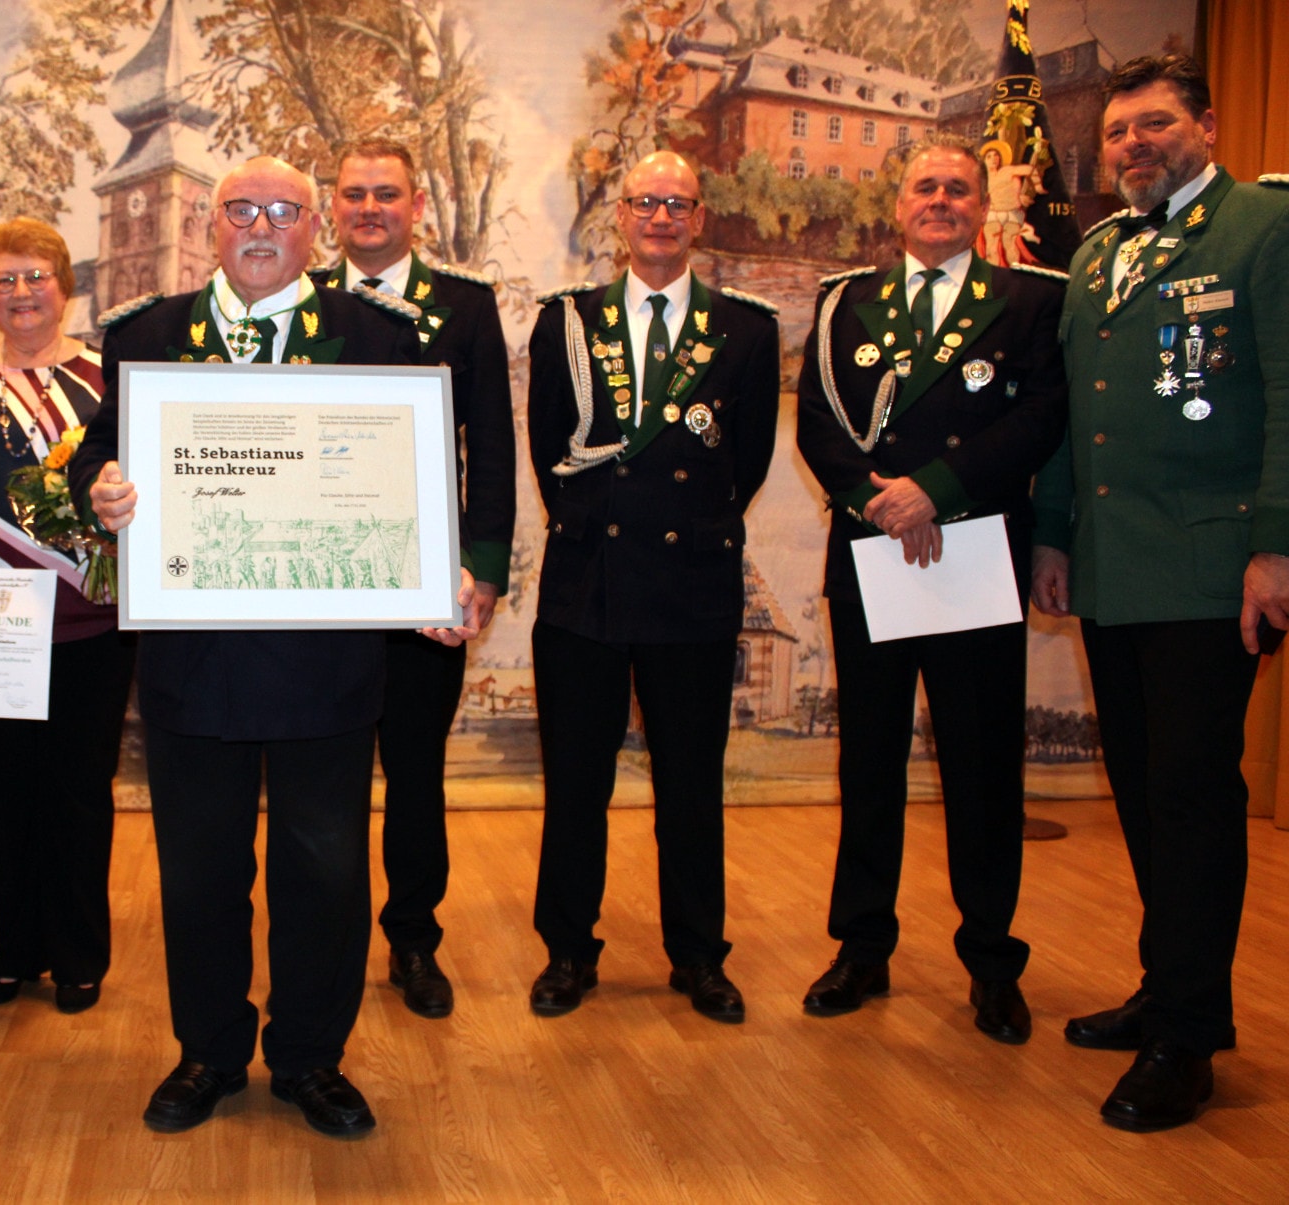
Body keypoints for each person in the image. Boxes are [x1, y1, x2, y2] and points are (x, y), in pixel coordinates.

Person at [72, 156, 474, 1138]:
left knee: (326, 872)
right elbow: (93, 454)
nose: (261, 226)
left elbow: (417, 479)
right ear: (213, 225)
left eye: (284, 212)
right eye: (241, 210)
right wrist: (105, 484)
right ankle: (208, 1050)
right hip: (192, 663)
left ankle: (308, 1058)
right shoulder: (148, 337)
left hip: (325, 665)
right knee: (201, 871)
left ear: (313, 229)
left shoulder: (379, 340)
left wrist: (441, 567)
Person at [1031, 54, 1289, 1131]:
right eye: (1121, 132)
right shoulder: (1101, 253)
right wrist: (1052, 534)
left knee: (1190, 796)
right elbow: (1071, 409)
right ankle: (1166, 986)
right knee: (1140, 788)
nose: (1133, 145)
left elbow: (1286, 393)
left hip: (1212, 570)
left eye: (1154, 125)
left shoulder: (1260, 231)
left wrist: (1276, 546)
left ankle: (1190, 1036)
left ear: (1207, 125)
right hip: (1114, 567)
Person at [794, 139, 1068, 1044]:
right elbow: (820, 422)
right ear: (897, 201)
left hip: (974, 556)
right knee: (867, 760)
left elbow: (1042, 417)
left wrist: (936, 492)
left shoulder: (1032, 300)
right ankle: (862, 948)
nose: (941, 200)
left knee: (981, 768)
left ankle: (992, 960)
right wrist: (882, 501)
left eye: (959, 187)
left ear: (981, 202)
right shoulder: (846, 303)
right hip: (873, 553)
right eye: (926, 187)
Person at [525, 150, 779, 1022]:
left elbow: (743, 469)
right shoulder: (567, 323)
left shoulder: (745, 331)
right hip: (585, 588)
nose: (661, 217)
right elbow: (552, 454)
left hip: (692, 590)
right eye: (645, 202)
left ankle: (699, 956)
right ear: (620, 218)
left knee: (691, 788)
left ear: (700, 217)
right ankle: (567, 950)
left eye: (678, 203)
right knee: (576, 787)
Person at [315, 138, 516, 1019]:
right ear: (333, 209)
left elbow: (495, 453)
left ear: (416, 207)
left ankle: (413, 939)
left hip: (424, 583)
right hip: (321, 583)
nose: (369, 208)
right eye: (354, 194)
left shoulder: (465, 308)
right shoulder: (303, 303)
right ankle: (323, 941)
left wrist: (483, 567)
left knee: (416, 773)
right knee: (323, 776)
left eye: (385, 194)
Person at [0, 218, 134, 1015]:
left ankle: (80, 954)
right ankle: (16, 950)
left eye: (36, 276)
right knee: (5, 789)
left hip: (91, 613)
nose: (21, 293)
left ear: (64, 285)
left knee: (80, 789)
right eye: (5, 279)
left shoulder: (104, 372)